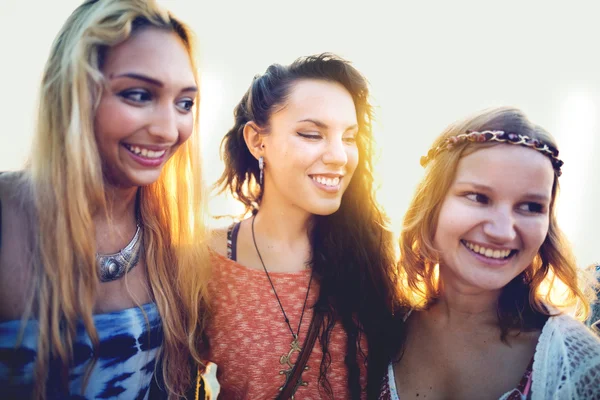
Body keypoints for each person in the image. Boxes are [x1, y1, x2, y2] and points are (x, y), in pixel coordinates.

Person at [0, 0, 210, 398]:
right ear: (74, 93)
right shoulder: (5, 217)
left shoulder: (176, 250)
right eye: (137, 94)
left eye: (185, 103)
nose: (169, 130)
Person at [207, 53, 403, 399]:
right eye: (312, 134)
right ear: (257, 141)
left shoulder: (379, 254)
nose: (339, 156)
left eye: (349, 137)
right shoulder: (206, 259)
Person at [380, 107, 600, 399]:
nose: (502, 232)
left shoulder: (578, 364)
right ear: (432, 204)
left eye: (531, 206)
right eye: (478, 197)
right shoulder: (379, 328)